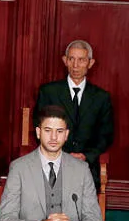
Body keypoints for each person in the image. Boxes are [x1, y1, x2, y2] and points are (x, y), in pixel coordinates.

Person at [0, 105, 102, 221]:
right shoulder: (19, 168)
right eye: (48, 130)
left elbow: (95, 220)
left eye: (59, 131)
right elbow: (4, 220)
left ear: (66, 135)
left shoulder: (82, 169)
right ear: (38, 132)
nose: (53, 137)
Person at [35, 39, 113, 190]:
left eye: (81, 60)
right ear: (65, 61)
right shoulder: (49, 92)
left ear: (90, 63)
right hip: (53, 162)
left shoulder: (101, 97)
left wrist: (86, 156)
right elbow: (39, 127)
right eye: (71, 59)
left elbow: (106, 135)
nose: (75, 65)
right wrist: (59, 155)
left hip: (88, 166)